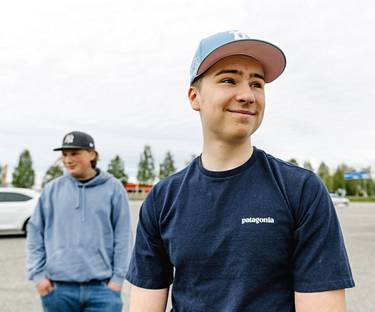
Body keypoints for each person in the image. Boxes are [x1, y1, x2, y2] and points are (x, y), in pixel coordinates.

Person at [126, 30, 355, 311]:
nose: (247, 95)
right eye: (229, 80)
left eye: (257, 84)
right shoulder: (163, 198)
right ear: (194, 97)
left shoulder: (301, 190)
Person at [26, 131, 132, 312]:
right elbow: (35, 233)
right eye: (65, 154)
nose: (68, 160)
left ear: (92, 154)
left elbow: (123, 236)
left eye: (74, 153)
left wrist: (117, 280)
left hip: (103, 291)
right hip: (58, 290)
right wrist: (37, 276)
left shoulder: (113, 188)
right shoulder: (52, 190)